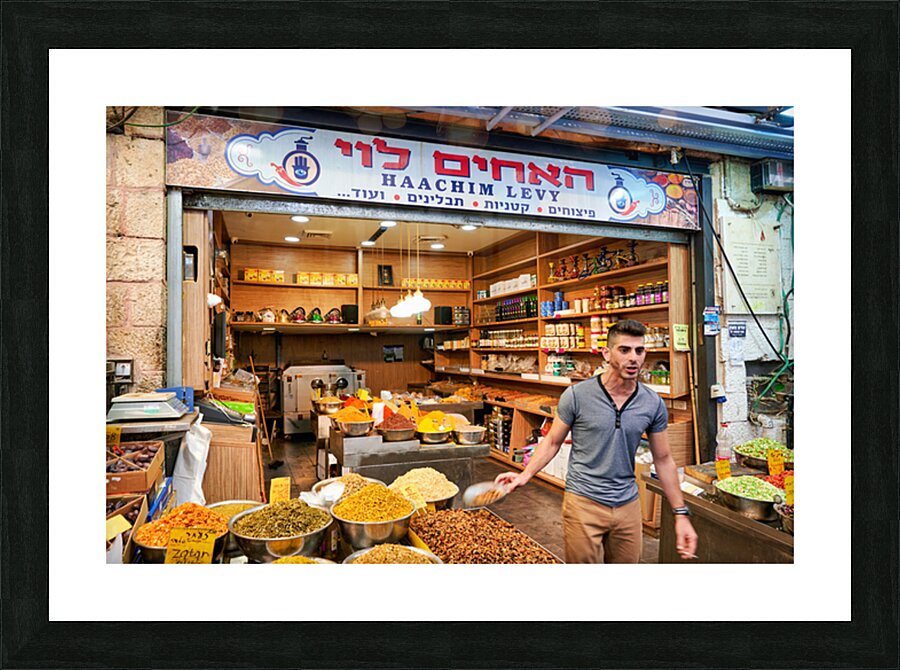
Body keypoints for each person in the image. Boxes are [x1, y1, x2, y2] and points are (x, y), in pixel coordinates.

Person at [495, 319, 698, 563]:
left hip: (627, 505)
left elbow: (664, 459)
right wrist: (524, 475)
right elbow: (551, 442)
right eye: (624, 350)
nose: (633, 358)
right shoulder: (577, 396)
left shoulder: (651, 403)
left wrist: (680, 513)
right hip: (583, 503)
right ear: (606, 353)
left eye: (639, 350)